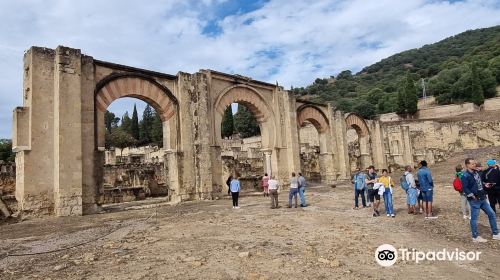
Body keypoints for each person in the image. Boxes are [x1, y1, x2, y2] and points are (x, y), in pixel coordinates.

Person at [461, 158, 499, 242]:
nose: (474, 165)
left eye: (475, 163)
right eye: (472, 164)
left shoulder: (477, 173)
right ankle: (475, 237)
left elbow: (479, 183)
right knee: (474, 218)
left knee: (492, 214)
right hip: (475, 200)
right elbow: (464, 188)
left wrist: (485, 185)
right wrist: (472, 195)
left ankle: (496, 234)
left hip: (482, 198)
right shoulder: (465, 175)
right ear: (467, 165)